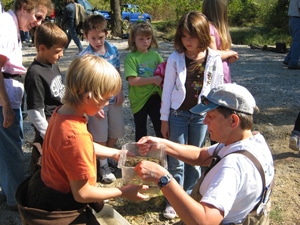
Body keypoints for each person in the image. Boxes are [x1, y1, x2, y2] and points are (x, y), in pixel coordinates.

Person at [16, 55, 149, 224]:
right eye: (106, 99)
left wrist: (116, 153)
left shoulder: (61, 114)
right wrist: (122, 191)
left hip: (45, 187)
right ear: (89, 97)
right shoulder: (76, 135)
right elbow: (83, 193)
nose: (108, 103)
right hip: (62, 205)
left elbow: (80, 146)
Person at [135, 83, 275, 224]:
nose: (205, 121)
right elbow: (201, 155)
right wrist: (163, 144)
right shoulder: (251, 140)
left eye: (211, 116)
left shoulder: (233, 167)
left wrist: (163, 178)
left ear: (233, 120)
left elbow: (205, 221)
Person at [160, 11, 224, 219]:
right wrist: (164, 119)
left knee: (196, 157)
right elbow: (167, 89)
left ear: (203, 35)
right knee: (176, 158)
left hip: (200, 116)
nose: (188, 41)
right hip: (177, 114)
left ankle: (189, 196)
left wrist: (216, 116)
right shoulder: (175, 58)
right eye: (185, 36)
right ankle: (173, 199)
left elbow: (218, 88)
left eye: (193, 36)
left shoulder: (213, 58)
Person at [0, 0, 53, 210]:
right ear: (24, 7)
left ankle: (9, 190)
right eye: (37, 16)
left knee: (8, 145)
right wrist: (5, 104)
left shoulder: (11, 25)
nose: (38, 23)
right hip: (5, 97)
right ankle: (16, 197)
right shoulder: (6, 26)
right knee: (11, 148)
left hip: (10, 93)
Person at [80, 14, 124, 184]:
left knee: (116, 130)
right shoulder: (84, 56)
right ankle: (103, 165)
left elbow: (117, 71)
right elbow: (83, 84)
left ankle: (108, 153)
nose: (97, 41)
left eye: (101, 37)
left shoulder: (112, 50)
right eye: (93, 38)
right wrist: (92, 106)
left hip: (114, 98)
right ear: (86, 36)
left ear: (106, 34)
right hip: (96, 102)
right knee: (100, 133)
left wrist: (120, 90)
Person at [24, 22, 68, 171]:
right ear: (42, 48)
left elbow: (59, 90)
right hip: (48, 124)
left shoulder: (52, 64)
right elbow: (35, 111)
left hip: (59, 119)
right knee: (43, 158)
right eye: (58, 51)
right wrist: (48, 134)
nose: (61, 55)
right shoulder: (35, 74)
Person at [124, 21, 164, 142]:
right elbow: (132, 81)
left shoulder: (155, 56)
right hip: (138, 99)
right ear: (133, 39)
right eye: (141, 39)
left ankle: (163, 154)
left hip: (155, 96)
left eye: (148, 38)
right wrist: (153, 80)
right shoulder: (131, 57)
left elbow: (164, 72)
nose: (145, 42)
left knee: (160, 127)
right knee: (141, 130)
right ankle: (140, 156)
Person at [202, 0, 238, 83]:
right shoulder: (208, 27)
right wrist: (229, 53)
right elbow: (212, 54)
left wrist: (228, 58)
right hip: (214, 75)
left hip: (222, 72)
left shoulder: (219, 29)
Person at [283, 0, 300, 69]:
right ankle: (293, 63)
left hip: (292, 19)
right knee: (298, 42)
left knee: (295, 41)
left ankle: (288, 59)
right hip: (298, 20)